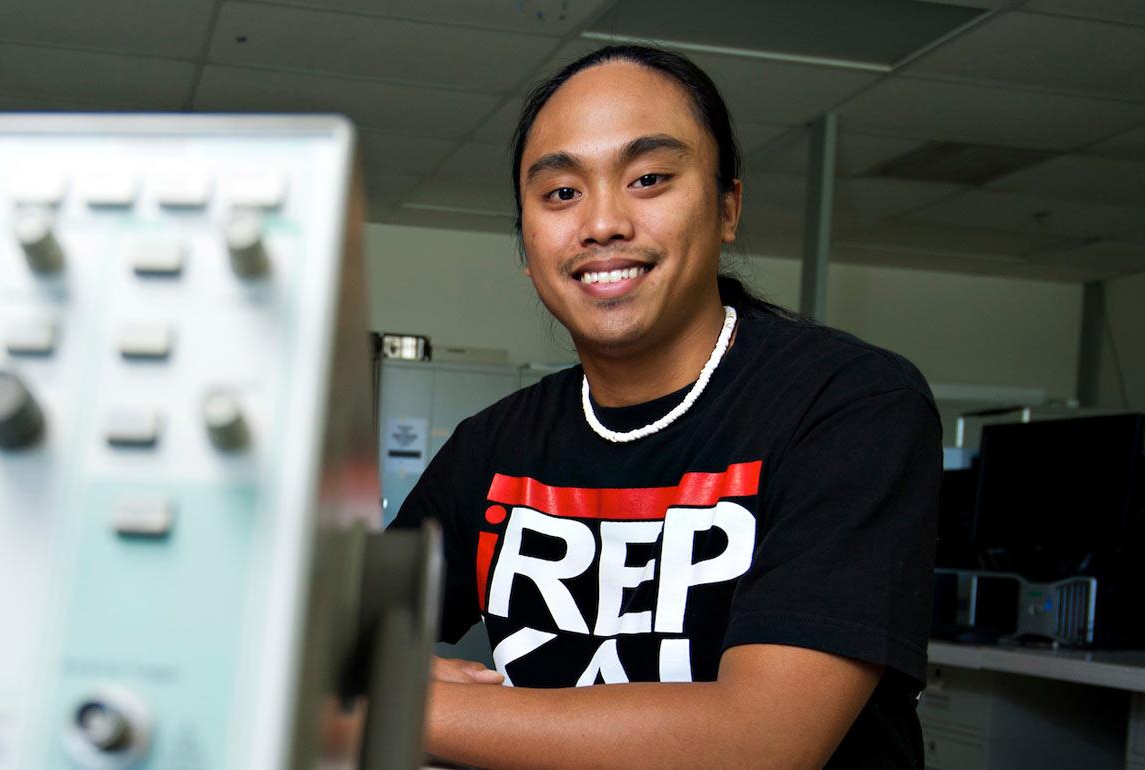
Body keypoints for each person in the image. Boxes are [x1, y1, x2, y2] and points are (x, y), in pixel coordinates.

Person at [387, 44, 938, 769]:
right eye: (560, 194)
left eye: (649, 178)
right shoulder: (493, 449)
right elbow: (328, 643)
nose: (603, 223)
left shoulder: (849, 407)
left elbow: (760, 742)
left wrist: (396, 704)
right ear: (525, 242)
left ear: (727, 207)